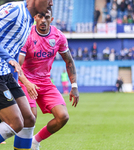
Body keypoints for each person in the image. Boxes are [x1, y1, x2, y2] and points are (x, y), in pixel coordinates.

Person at [0, 0, 53, 150]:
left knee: (28, 119)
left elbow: (13, 53)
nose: (51, 3)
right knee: (16, 122)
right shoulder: (14, 9)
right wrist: (8, 58)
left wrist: (21, 80)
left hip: (4, 74)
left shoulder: (29, 21)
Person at [18, 10, 79, 150]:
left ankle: (35, 141)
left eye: (46, 17)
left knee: (63, 117)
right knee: (30, 117)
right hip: (25, 81)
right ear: (35, 18)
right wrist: (27, 83)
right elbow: (17, 65)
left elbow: (69, 61)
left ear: (51, 19)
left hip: (45, 82)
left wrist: (74, 86)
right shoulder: (27, 35)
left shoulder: (58, 36)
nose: (43, 20)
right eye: (40, 16)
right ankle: (23, 147)